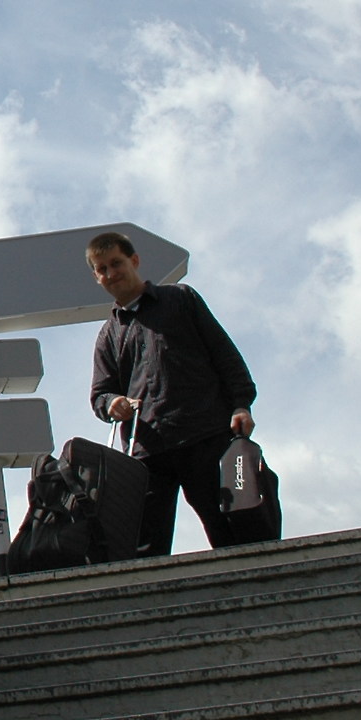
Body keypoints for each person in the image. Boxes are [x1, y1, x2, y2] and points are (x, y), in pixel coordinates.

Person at [85, 230, 258, 556]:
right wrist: (113, 404)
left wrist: (241, 406)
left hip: (205, 436)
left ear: (134, 261)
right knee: (144, 550)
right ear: (96, 277)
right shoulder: (108, 335)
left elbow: (224, 355)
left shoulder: (181, 299)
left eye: (116, 263)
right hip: (147, 453)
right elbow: (100, 395)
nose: (111, 273)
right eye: (102, 268)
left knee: (232, 534)